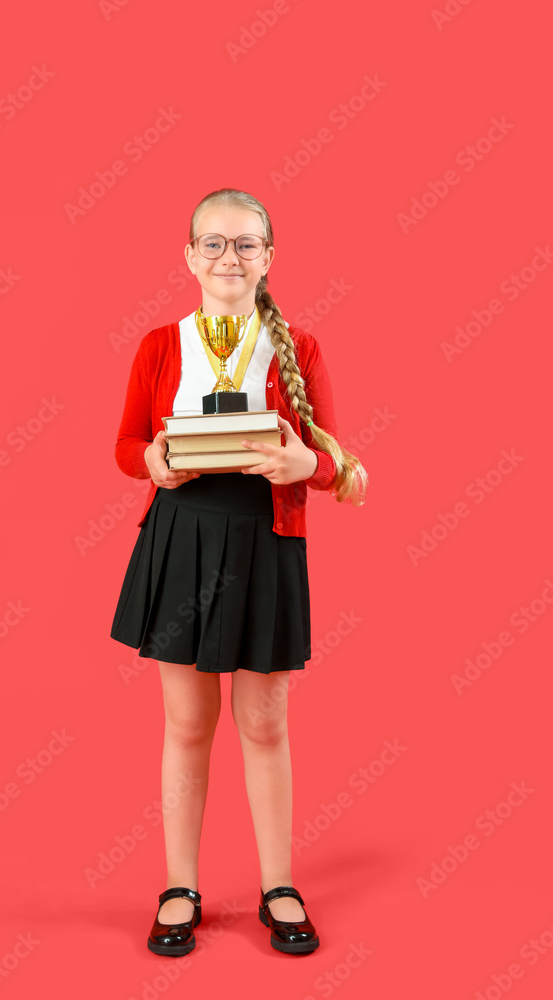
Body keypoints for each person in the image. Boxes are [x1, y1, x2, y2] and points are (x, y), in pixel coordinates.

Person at [110, 187, 367, 956]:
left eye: (245, 244)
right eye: (214, 244)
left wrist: (302, 463)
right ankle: (179, 886)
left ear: (268, 258)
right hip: (182, 535)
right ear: (189, 256)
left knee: (263, 722)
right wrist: (151, 462)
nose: (229, 256)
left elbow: (332, 462)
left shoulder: (302, 347)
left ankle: (277, 884)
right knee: (187, 724)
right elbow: (125, 444)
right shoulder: (158, 343)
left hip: (265, 539)